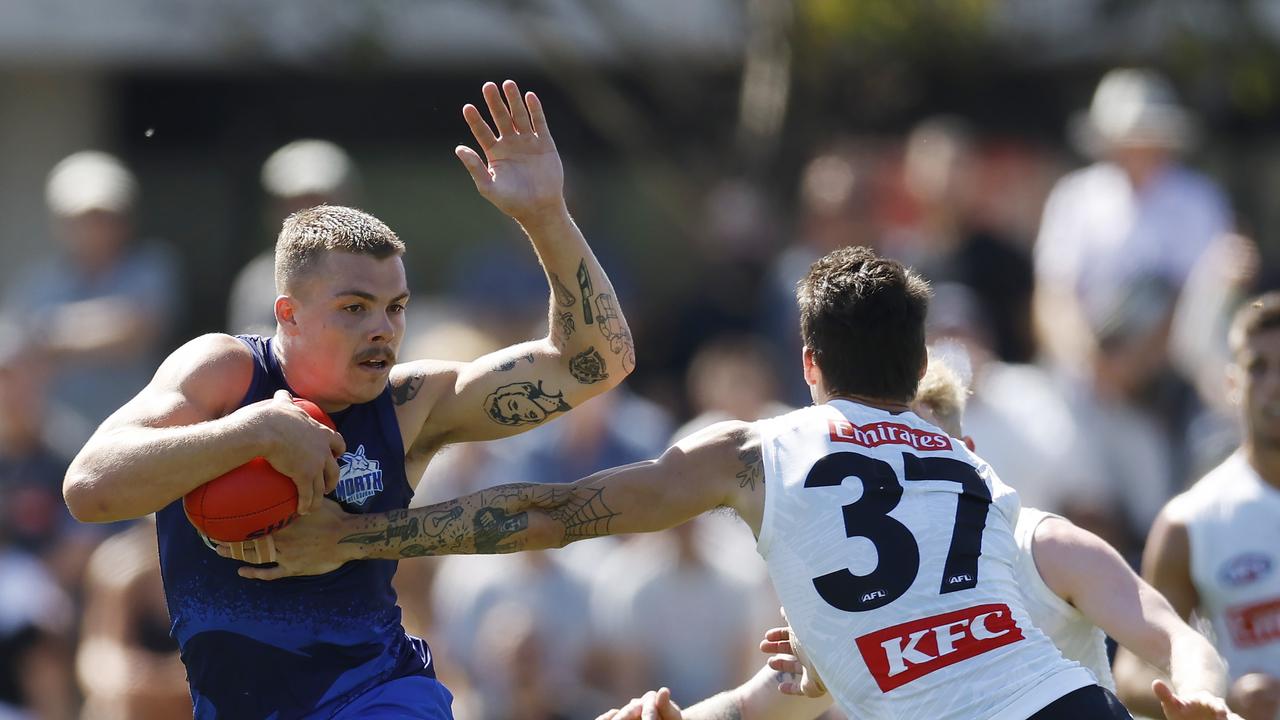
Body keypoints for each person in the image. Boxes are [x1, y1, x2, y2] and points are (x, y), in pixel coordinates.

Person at [246, 246, 1144, 718]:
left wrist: (360, 536)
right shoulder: (981, 477)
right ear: (918, 381)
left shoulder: (765, 452)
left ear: (808, 367)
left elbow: (553, 510)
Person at [63, 79, 634, 719]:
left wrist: (547, 217)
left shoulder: (409, 404)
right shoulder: (224, 374)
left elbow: (595, 363)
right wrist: (253, 433)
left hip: (382, 696)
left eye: (395, 308)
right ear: (290, 315)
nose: (382, 329)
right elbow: (89, 488)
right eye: (353, 308)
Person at [593, 357, 1238, 720]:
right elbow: (754, 707)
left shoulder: (1045, 546)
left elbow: (1176, 638)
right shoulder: (857, 583)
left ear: (966, 453)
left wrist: (1203, 694)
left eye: (922, 444)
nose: (901, 466)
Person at [1113, 293, 1280, 720]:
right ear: (1230, 385)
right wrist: (1219, 698)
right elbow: (1133, 671)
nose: (1275, 384)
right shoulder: (1190, 523)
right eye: (1258, 368)